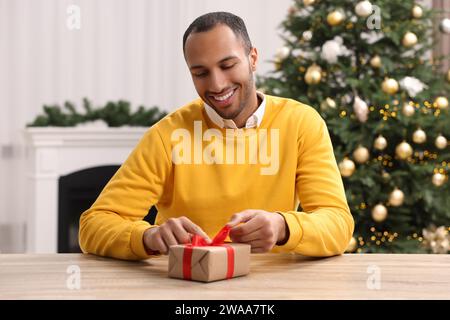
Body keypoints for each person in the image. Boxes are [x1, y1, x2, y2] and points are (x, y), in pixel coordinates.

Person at [79, 11, 354, 260]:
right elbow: (94, 225)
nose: (217, 84)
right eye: (200, 73)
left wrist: (284, 227)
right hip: (186, 285)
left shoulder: (301, 123)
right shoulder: (167, 135)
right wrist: (148, 237)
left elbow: (338, 224)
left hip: (272, 286)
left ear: (253, 58)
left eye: (227, 65)